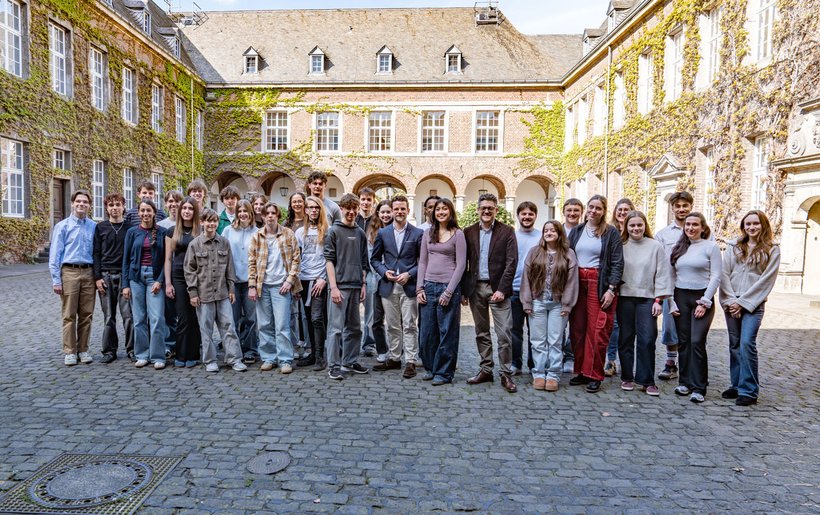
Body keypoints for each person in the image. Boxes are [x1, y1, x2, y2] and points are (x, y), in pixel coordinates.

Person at [720, 210, 780, 406]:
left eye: (755, 223)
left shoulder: (772, 249)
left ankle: (749, 390)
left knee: (747, 343)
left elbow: (766, 281)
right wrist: (730, 301)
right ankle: (736, 385)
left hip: (753, 304)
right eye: (748, 224)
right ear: (743, 226)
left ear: (763, 225)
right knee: (735, 344)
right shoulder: (733, 246)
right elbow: (724, 273)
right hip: (732, 301)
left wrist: (743, 302)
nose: (752, 227)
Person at [462, 193, 518, 393]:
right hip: (476, 288)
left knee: (504, 333)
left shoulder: (507, 231)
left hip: (498, 289)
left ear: (496, 210)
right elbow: (463, 264)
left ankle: (506, 373)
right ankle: (486, 370)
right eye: (483, 208)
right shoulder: (468, 232)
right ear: (478, 210)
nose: (486, 211)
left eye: (490, 208)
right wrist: (463, 291)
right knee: (481, 332)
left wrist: (502, 289)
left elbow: (512, 263)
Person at [567, 194, 624, 393]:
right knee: (578, 328)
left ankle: (594, 374)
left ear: (603, 211)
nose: (593, 211)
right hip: (577, 281)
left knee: (598, 329)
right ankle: (582, 371)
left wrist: (611, 289)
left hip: (599, 282)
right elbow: (567, 256)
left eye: (598, 208)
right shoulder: (577, 231)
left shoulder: (611, 233)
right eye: (591, 207)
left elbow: (617, 263)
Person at [184, 208, 248, 373]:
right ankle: (210, 360)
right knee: (206, 329)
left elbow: (230, 267)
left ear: (217, 223)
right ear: (202, 222)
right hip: (203, 294)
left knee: (229, 326)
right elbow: (189, 270)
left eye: (214, 221)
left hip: (223, 293)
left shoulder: (224, 242)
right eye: (208, 220)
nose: (211, 224)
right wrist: (192, 293)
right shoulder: (194, 244)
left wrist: (231, 288)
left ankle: (234, 358)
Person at [617, 211, 671, 396]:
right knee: (625, 338)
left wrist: (659, 300)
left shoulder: (655, 246)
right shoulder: (621, 245)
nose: (636, 228)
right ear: (626, 227)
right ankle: (627, 376)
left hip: (647, 298)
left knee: (647, 339)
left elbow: (663, 273)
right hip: (624, 297)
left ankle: (647, 380)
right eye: (632, 225)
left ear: (644, 226)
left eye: (639, 225)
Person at [669, 212, 722, 403]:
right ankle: (685, 382)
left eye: (695, 225)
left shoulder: (710, 247)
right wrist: (671, 301)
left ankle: (699, 387)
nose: (690, 228)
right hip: (680, 297)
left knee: (697, 340)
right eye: (688, 225)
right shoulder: (679, 248)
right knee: (683, 341)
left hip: (701, 298)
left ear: (702, 227)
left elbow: (716, 275)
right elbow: (671, 276)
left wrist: (705, 301)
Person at [520, 221, 579, 392]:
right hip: (537, 301)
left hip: (558, 303)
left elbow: (572, 282)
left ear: (560, 233)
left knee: (554, 340)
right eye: (546, 230)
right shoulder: (535, 252)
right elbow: (526, 278)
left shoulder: (568, 254)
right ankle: (538, 373)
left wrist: (567, 304)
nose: (549, 233)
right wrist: (527, 301)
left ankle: (553, 375)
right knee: (537, 341)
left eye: (553, 230)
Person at [371, 195, 424, 378]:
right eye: (396, 209)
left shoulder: (417, 233)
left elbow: (422, 261)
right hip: (389, 285)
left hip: (409, 286)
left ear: (408, 210)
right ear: (392, 211)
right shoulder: (383, 233)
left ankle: (410, 361)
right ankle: (394, 358)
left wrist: (409, 274)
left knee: (409, 324)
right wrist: (384, 271)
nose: (399, 212)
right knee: (392, 325)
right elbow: (375, 259)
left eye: (403, 209)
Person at [248, 202, 302, 373]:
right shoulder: (257, 236)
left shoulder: (288, 234)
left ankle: (285, 359)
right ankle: (268, 357)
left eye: (273, 213)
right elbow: (252, 262)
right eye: (267, 213)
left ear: (278, 216)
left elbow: (296, 259)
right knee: (264, 324)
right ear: (263, 216)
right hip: (262, 286)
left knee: (282, 325)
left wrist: (290, 280)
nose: (270, 216)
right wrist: (251, 285)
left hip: (281, 286)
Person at [417, 198, 466, 385]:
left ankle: (444, 373)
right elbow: (422, 261)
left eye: (444, 209)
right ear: (433, 213)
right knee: (428, 332)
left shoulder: (458, 234)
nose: (441, 212)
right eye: (438, 209)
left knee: (447, 331)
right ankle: (431, 367)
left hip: (448, 287)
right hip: (428, 286)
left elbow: (461, 264)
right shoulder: (428, 233)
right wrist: (419, 287)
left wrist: (449, 292)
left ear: (450, 211)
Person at [324, 193, 370, 380]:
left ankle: (349, 361)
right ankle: (333, 365)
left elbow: (364, 262)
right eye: (347, 208)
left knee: (354, 328)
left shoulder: (360, 233)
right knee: (335, 329)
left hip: (356, 285)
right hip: (339, 287)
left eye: (354, 208)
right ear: (341, 209)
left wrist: (363, 284)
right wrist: (333, 287)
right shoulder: (333, 231)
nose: (351, 212)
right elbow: (329, 261)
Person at [50, 189, 97, 366]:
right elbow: (55, 255)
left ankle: (83, 349)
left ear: (89, 205)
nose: (81, 204)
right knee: (69, 314)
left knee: (87, 314)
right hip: (69, 272)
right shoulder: (62, 226)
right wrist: (56, 279)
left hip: (88, 272)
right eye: (78, 201)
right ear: (72, 203)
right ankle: (70, 351)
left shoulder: (93, 226)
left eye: (85, 202)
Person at [654, 191, 696, 381]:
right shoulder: (663, 234)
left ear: (690, 207)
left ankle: (692, 366)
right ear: (672, 208)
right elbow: (659, 263)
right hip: (671, 287)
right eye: (677, 206)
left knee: (693, 330)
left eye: (684, 206)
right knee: (670, 329)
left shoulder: (701, 230)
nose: (681, 209)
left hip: (695, 287)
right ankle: (671, 364)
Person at [121, 199, 167, 369]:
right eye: (142, 211)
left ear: (154, 212)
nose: (145, 214)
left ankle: (158, 356)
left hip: (154, 279)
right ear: (138, 213)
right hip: (136, 278)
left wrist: (160, 280)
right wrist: (125, 285)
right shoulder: (132, 232)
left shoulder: (162, 232)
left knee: (156, 318)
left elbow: (166, 260)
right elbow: (125, 260)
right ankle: (142, 354)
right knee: (139, 318)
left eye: (149, 210)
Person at [93, 193, 134, 363]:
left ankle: (132, 349)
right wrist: (97, 277)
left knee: (128, 316)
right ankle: (109, 350)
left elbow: (132, 255)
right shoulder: (101, 227)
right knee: (109, 316)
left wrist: (129, 280)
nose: (115, 208)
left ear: (124, 206)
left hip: (124, 276)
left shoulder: (130, 228)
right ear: (107, 208)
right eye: (111, 205)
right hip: (106, 276)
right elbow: (95, 253)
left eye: (118, 204)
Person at [164, 197, 202, 368]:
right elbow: (168, 260)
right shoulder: (172, 231)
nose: (187, 211)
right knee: (183, 316)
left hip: (196, 277)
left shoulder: (199, 231)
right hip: (178, 277)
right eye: (184, 208)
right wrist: (168, 283)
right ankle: (181, 353)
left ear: (195, 212)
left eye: (190, 208)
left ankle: (193, 354)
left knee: (194, 317)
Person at [294, 196, 330, 371]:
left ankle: (321, 356)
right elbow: (297, 258)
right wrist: (296, 282)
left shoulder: (328, 231)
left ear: (320, 209)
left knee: (317, 317)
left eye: (316, 207)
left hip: (319, 279)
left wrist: (324, 278)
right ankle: (313, 353)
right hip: (304, 280)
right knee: (308, 317)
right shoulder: (300, 232)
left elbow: (331, 258)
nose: (313, 210)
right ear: (306, 210)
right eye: (310, 208)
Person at [221, 199, 259, 364]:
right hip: (233, 281)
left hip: (251, 281)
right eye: (240, 211)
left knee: (251, 318)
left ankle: (250, 349)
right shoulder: (228, 231)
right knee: (233, 318)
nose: (243, 214)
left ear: (250, 213)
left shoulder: (258, 232)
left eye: (245, 211)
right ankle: (234, 350)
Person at [604, 198, 635, 377]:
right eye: (620, 209)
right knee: (614, 324)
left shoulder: (635, 231)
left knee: (628, 325)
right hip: (614, 284)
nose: (623, 213)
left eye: (626, 210)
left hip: (632, 284)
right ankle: (611, 359)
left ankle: (627, 361)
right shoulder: (609, 232)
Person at [510, 201, 541, 375]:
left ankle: (533, 364)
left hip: (536, 291)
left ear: (535, 216)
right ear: (518, 216)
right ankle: (516, 364)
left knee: (535, 330)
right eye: (524, 214)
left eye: (530, 214)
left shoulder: (541, 237)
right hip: (514, 289)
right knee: (515, 330)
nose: (527, 217)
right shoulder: (512, 236)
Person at [366, 200, 392, 363]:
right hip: (377, 279)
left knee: (396, 320)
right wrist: (381, 273)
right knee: (377, 319)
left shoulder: (398, 231)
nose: (385, 215)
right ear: (378, 214)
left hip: (394, 280)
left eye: (388, 212)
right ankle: (382, 349)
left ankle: (398, 350)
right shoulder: (372, 232)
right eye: (382, 212)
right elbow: (370, 258)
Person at [158, 190, 183, 360]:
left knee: (183, 312)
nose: (173, 205)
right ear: (166, 204)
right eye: (170, 202)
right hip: (165, 273)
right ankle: (169, 344)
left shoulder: (186, 224)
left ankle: (183, 343)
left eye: (176, 202)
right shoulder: (161, 225)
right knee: (168, 312)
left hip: (182, 274)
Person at [561, 198, 584, 373]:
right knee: (557, 323)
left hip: (579, 282)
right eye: (569, 210)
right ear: (564, 212)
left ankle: (570, 355)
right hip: (557, 283)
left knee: (576, 324)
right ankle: (557, 356)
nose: (572, 213)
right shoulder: (556, 229)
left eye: (576, 210)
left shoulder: (586, 231)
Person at [356, 187, 377, 356]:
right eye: (363, 199)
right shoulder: (353, 219)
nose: (365, 202)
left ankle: (368, 343)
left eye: (368, 200)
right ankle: (352, 342)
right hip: (352, 269)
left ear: (373, 201)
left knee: (369, 309)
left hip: (369, 270)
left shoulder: (376, 221)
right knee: (351, 310)